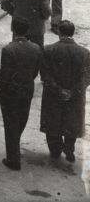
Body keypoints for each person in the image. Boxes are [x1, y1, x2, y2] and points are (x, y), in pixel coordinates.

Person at [39, 20, 90, 162]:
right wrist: (73, 91)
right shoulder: (84, 52)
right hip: (75, 95)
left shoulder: (48, 50)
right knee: (71, 121)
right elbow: (87, 77)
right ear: (73, 33)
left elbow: (45, 75)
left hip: (53, 94)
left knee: (52, 120)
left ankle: (55, 150)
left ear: (59, 33)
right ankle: (69, 148)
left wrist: (59, 90)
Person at [0, 18, 44, 170]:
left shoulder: (8, 49)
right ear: (27, 30)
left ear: (13, 29)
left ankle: (13, 158)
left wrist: (2, 89)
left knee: (10, 123)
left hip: (11, 91)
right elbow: (36, 71)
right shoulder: (36, 48)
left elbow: (4, 74)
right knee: (21, 119)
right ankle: (14, 147)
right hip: (27, 88)